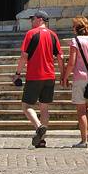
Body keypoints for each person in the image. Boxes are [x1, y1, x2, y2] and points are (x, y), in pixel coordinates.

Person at [14, 10, 61, 147]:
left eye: (32, 18)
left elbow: (24, 56)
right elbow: (60, 57)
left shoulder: (31, 34)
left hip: (35, 75)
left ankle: (39, 126)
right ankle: (41, 140)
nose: (31, 21)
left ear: (40, 19)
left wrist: (18, 73)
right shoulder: (53, 35)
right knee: (44, 108)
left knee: (26, 106)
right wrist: (63, 74)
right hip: (50, 76)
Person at [62, 15, 88, 147]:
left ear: (76, 28)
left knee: (80, 110)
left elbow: (72, 63)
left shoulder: (75, 41)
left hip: (80, 77)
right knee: (87, 107)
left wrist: (65, 76)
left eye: (73, 26)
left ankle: (83, 140)